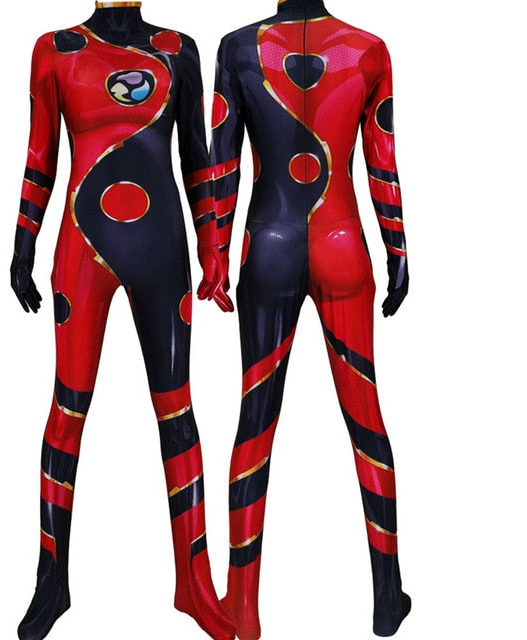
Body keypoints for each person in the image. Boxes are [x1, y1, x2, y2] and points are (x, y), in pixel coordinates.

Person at [10, 3, 233, 639]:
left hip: (161, 251)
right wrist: (23, 243)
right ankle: (51, 580)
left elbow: (198, 158)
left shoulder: (178, 49)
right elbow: (40, 154)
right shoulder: (55, 50)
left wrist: (214, 247)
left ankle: (194, 583)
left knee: (178, 410)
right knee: (67, 408)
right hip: (81, 250)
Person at [209, 0, 411, 637]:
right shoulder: (367, 49)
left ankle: (243, 606)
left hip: (266, 243)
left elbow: (222, 165)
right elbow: (382, 162)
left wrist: (214, 257)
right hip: (342, 240)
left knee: (255, 419)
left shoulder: (238, 48)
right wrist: (399, 250)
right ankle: (387, 594)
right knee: (365, 415)